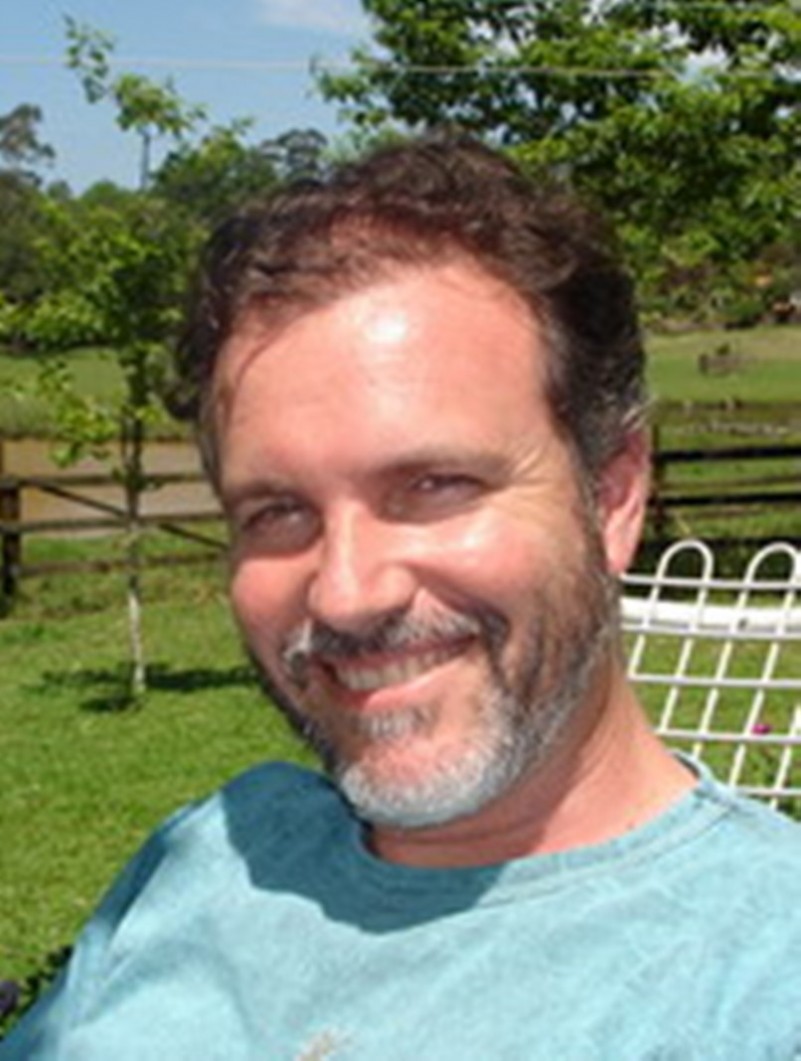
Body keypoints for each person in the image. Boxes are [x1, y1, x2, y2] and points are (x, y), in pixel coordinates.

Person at [3, 133, 800, 1060]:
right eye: (277, 510)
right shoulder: (215, 847)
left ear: (612, 495)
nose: (345, 594)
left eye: (434, 485)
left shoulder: (761, 977)